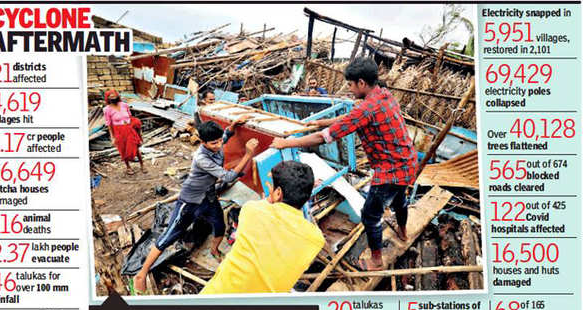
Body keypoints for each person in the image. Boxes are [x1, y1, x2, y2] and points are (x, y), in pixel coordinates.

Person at [271, 57, 418, 271]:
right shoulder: (383, 95)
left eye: (350, 84)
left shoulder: (366, 109)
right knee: (399, 200)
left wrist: (287, 142)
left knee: (370, 216)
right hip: (407, 162)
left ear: (361, 82)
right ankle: (403, 232)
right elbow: (354, 117)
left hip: (390, 171)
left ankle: (376, 261)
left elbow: (323, 138)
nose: (348, 89)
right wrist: (320, 122)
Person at [134, 120, 258, 293]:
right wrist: (248, 154)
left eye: (219, 141)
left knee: (220, 226)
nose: (219, 145)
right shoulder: (201, 158)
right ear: (203, 142)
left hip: (208, 196)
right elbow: (228, 177)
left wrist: (233, 125)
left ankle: (214, 251)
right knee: (170, 235)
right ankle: (142, 272)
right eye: (214, 143)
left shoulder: (217, 140)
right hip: (190, 201)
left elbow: (226, 135)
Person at [200, 161, 324, 294]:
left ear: (278, 193)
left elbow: (264, 207)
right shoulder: (316, 239)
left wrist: (270, 200)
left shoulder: (252, 210)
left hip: (216, 297)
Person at [103, 89, 146, 175]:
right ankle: (128, 167)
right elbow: (109, 124)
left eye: (114, 95)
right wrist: (112, 137)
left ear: (117, 96)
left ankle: (142, 165)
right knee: (123, 149)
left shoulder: (124, 105)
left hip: (129, 128)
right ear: (108, 98)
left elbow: (130, 117)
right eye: (111, 97)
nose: (113, 97)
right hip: (118, 131)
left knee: (135, 147)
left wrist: (138, 131)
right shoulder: (106, 109)